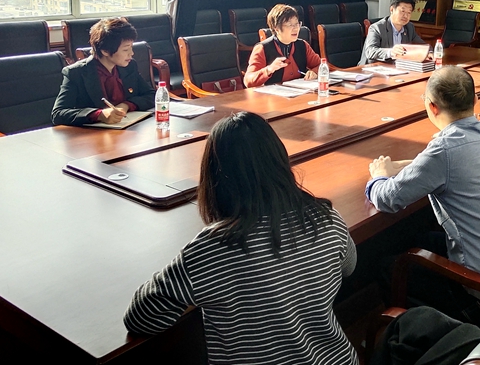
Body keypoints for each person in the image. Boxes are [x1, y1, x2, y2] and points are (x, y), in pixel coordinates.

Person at [124, 112, 359, 365]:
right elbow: (349, 266)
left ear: (214, 177)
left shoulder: (212, 249)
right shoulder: (326, 217)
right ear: (281, 162)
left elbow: (141, 318)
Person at [365, 66, 480, 321]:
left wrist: (379, 175)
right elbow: (452, 161)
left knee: (388, 266)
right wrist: (407, 166)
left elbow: (387, 199)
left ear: (432, 107)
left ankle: (419, 335)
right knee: (419, 238)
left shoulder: (444, 151)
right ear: (475, 100)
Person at [51, 17, 155, 126]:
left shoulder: (129, 66)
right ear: (105, 51)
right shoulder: (76, 73)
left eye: (131, 48)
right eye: (125, 49)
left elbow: (151, 95)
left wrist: (126, 105)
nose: (131, 53)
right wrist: (99, 115)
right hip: (92, 134)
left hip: (129, 128)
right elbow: (58, 114)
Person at [244, 4, 320, 88]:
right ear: (276, 28)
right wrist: (269, 69)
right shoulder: (262, 48)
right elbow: (248, 81)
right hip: (273, 94)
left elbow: (322, 66)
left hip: (301, 92)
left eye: (297, 24)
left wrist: (314, 72)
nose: (295, 28)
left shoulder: (303, 45)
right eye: (290, 25)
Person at [359, 0, 425, 65]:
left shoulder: (409, 27)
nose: (406, 16)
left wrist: (429, 52)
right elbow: (370, 51)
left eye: (409, 12)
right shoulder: (376, 28)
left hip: (398, 67)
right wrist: (391, 52)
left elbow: (423, 45)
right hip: (373, 68)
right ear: (392, 9)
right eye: (402, 11)